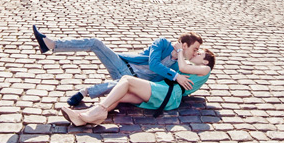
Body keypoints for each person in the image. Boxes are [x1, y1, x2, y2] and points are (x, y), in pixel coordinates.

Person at [32, 27, 203, 106]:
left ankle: (84, 92)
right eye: (194, 49)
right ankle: (52, 44)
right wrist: (174, 75)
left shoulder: (180, 67)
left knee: (123, 83)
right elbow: (153, 64)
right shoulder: (162, 43)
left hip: (131, 82)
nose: (195, 54)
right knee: (95, 42)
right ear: (183, 44)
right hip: (122, 65)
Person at [59, 47, 215, 126]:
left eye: (199, 53)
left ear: (206, 61)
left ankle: (98, 112)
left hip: (168, 93)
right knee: (120, 95)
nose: (196, 53)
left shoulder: (205, 69)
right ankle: (83, 117)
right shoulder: (197, 70)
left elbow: (183, 66)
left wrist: (181, 50)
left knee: (127, 79)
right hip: (164, 92)